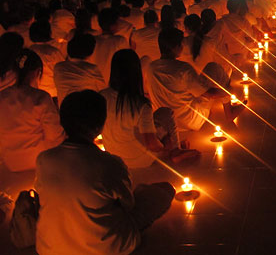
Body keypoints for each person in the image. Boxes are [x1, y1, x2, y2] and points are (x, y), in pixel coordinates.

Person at [35, 90, 176, 255]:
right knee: (164, 190)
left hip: (51, 248)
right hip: (104, 248)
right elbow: (128, 204)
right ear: (100, 125)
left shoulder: (44, 159)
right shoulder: (109, 162)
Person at [101, 49, 200, 168]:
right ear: (136, 72)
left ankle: (174, 149)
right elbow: (152, 145)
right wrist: (165, 145)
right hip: (139, 160)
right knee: (167, 114)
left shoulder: (101, 96)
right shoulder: (140, 104)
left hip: (115, 158)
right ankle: (175, 151)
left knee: (161, 114)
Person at [146, 28, 236, 131]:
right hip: (190, 121)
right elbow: (210, 94)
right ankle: (229, 112)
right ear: (176, 47)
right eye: (181, 44)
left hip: (166, 123)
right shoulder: (183, 69)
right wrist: (229, 91)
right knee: (214, 68)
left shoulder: (151, 67)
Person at [0, 50, 64, 172]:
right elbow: (55, 136)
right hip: (37, 164)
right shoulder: (41, 97)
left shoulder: (2, 96)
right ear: (37, 72)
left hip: (8, 164)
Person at [54, 33, 106, 105]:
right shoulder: (92, 69)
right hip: (86, 109)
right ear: (90, 52)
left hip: (65, 109)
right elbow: (103, 90)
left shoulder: (58, 67)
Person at [28, 20, 65, 99]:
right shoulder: (54, 52)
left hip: (34, 92)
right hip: (53, 93)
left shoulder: (29, 51)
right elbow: (62, 70)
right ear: (49, 33)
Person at [93, 8, 129, 83]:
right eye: (117, 22)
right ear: (112, 25)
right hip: (114, 84)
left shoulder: (93, 41)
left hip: (96, 83)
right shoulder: (120, 41)